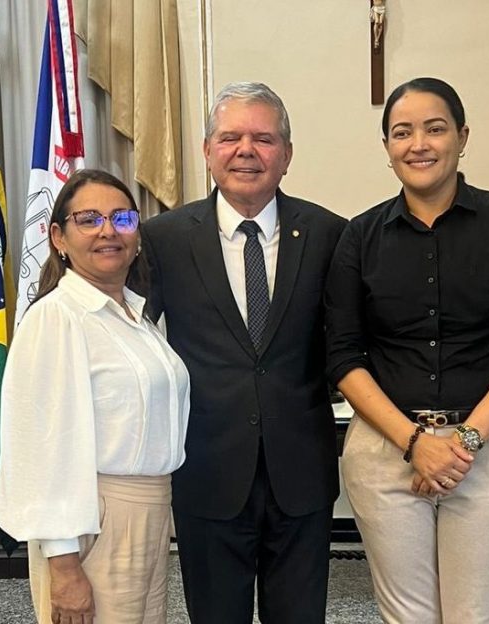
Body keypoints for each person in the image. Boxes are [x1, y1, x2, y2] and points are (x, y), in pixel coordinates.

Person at [325, 77, 489, 623]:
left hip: (488, 452)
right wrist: (414, 442)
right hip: (386, 452)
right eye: (401, 132)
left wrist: (463, 442)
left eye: (435, 128)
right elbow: (343, 355)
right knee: (407, 616)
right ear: (388, 149)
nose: (418, 144)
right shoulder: (359, 237)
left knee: (476, 615)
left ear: (462, 136)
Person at [141, 82, 346, 623]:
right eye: (230, 137)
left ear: (287, 154)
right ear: (207, 151)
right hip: (207, 470)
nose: (246, 151)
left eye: (264, 138)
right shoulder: (162, 238)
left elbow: (345, 342)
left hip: (301, 473)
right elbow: (130, 340)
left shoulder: (329, 234)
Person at [0, 169, 190, 624]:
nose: (108, 230)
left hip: (150, 510)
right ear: (59, 237)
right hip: (92, 521)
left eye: (122, 218)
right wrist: (64, 567)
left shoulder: (136, 316)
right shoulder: (57, 318)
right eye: (89, 219)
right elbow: (40, 451)